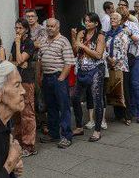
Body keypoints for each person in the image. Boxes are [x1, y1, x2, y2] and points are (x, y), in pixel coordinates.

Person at [37, 18, 75, 148]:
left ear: (58, 27)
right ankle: (54, 134)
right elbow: (40, 59)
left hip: (58, 77)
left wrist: (61, 78)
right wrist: (40, 76)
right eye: (48, 26)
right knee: (51, 107)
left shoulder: (63, 41)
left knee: (63, 107)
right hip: (46, 78)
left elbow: (69, 62)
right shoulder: (42, 40)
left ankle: (66, 136)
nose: (50, 28)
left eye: (52, 26)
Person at [71, 13, 106, 141]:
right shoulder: (81, 33)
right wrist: (74, 38)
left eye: (90, 21)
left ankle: (97, 130)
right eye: (85, 21)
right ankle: (79, 126)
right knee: (74, 97)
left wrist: (83, 46)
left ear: (96, 23)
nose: (87, 23)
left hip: (96, 69)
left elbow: (98, 55)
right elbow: (75, 52)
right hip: (82, 69)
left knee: (97, 99)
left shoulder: (100, 35)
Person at [9, 18, 36, 156]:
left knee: (27, 112)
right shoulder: (15, 43)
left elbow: (20, 59)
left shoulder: (29, 43)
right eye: (16, 28)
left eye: (20, 28)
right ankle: (18, 141)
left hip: (26, 80)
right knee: (17, 112)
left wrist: (19, 44)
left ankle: (29, 145)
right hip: (16, 80)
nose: (17, 31)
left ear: (26, 29)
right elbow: (11, 61)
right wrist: (18, 62)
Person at [105, 12, 132, 125]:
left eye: (115, 18)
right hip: (110, 65)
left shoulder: (123, 33)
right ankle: (118, 114)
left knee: (123, 91)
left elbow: (124, 48)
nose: (113, 19)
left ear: (120, 21)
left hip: (121, 65)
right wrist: (108, 58)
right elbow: (104, 48)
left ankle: (127, 116)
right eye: (111, 18)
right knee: (114, 90)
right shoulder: (108, 34)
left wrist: (115, 60)